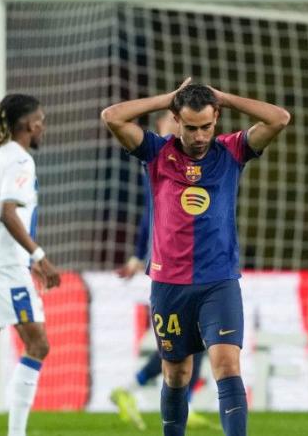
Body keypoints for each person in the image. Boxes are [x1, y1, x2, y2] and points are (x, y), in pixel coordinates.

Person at [102, 78, 290, 436]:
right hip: (169, 283)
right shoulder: (157, 152)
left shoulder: (232, 150)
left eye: (206, 126)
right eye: (190, 127)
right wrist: (166, 97)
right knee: (176, 373)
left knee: (226, 365)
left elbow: (279, 118)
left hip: (218, 281)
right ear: (176, 119)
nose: (200, 136)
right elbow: (112, 117)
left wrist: (224, 97)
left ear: (216, 118)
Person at [0, 94, 61, 436]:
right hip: (5, 265)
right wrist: (38, 257)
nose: (43, 127)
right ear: (29, 124)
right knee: (38, 344)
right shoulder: (20, 160)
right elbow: (7, 211)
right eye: (41, 121)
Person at [111, 110, 214, 431]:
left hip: (180, 263)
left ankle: (182, 404)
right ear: (161, 125)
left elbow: (149, 213)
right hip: (166, 266)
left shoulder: (183, 161)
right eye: (175, 120)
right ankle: (130, 389)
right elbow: (152, 215)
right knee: (183, 342)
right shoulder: (158, 157)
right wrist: (140, 256)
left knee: (191, 342)